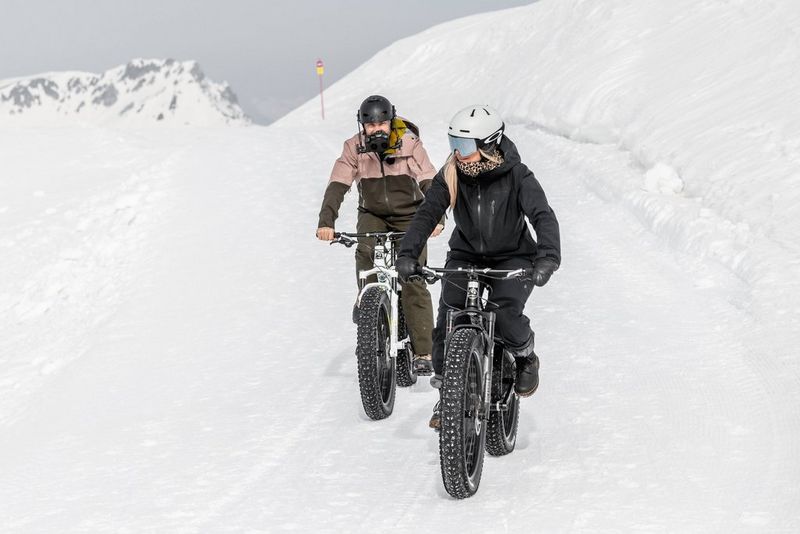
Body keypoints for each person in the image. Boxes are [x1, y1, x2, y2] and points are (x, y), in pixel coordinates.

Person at [395, 105, 561, 429]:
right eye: (453, 143)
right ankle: (448, 392)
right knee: (449, 314)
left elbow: (543, 215)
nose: (458, 152)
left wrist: (547, 257)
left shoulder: (518, 176)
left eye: (465, 146)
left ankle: (525, 355)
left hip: (513, 256)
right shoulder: (452, 173)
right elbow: (427, 214)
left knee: (503, 312)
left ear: (490, 144)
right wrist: (407, 254)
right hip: (466, 255)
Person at [316, 95, 444, 374]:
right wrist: (326, 221)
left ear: (391, 121)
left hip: (411, 215)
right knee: (365, 251)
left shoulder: (409, 143)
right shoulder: (354, 147)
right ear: (362, 125)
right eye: (370, 124)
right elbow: (338, 183)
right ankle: (368, 298)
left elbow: (429, 181)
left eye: (382, 123)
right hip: (373, 213)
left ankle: (423, 351)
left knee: (412, 276)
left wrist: (437, 218)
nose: (376, 129)